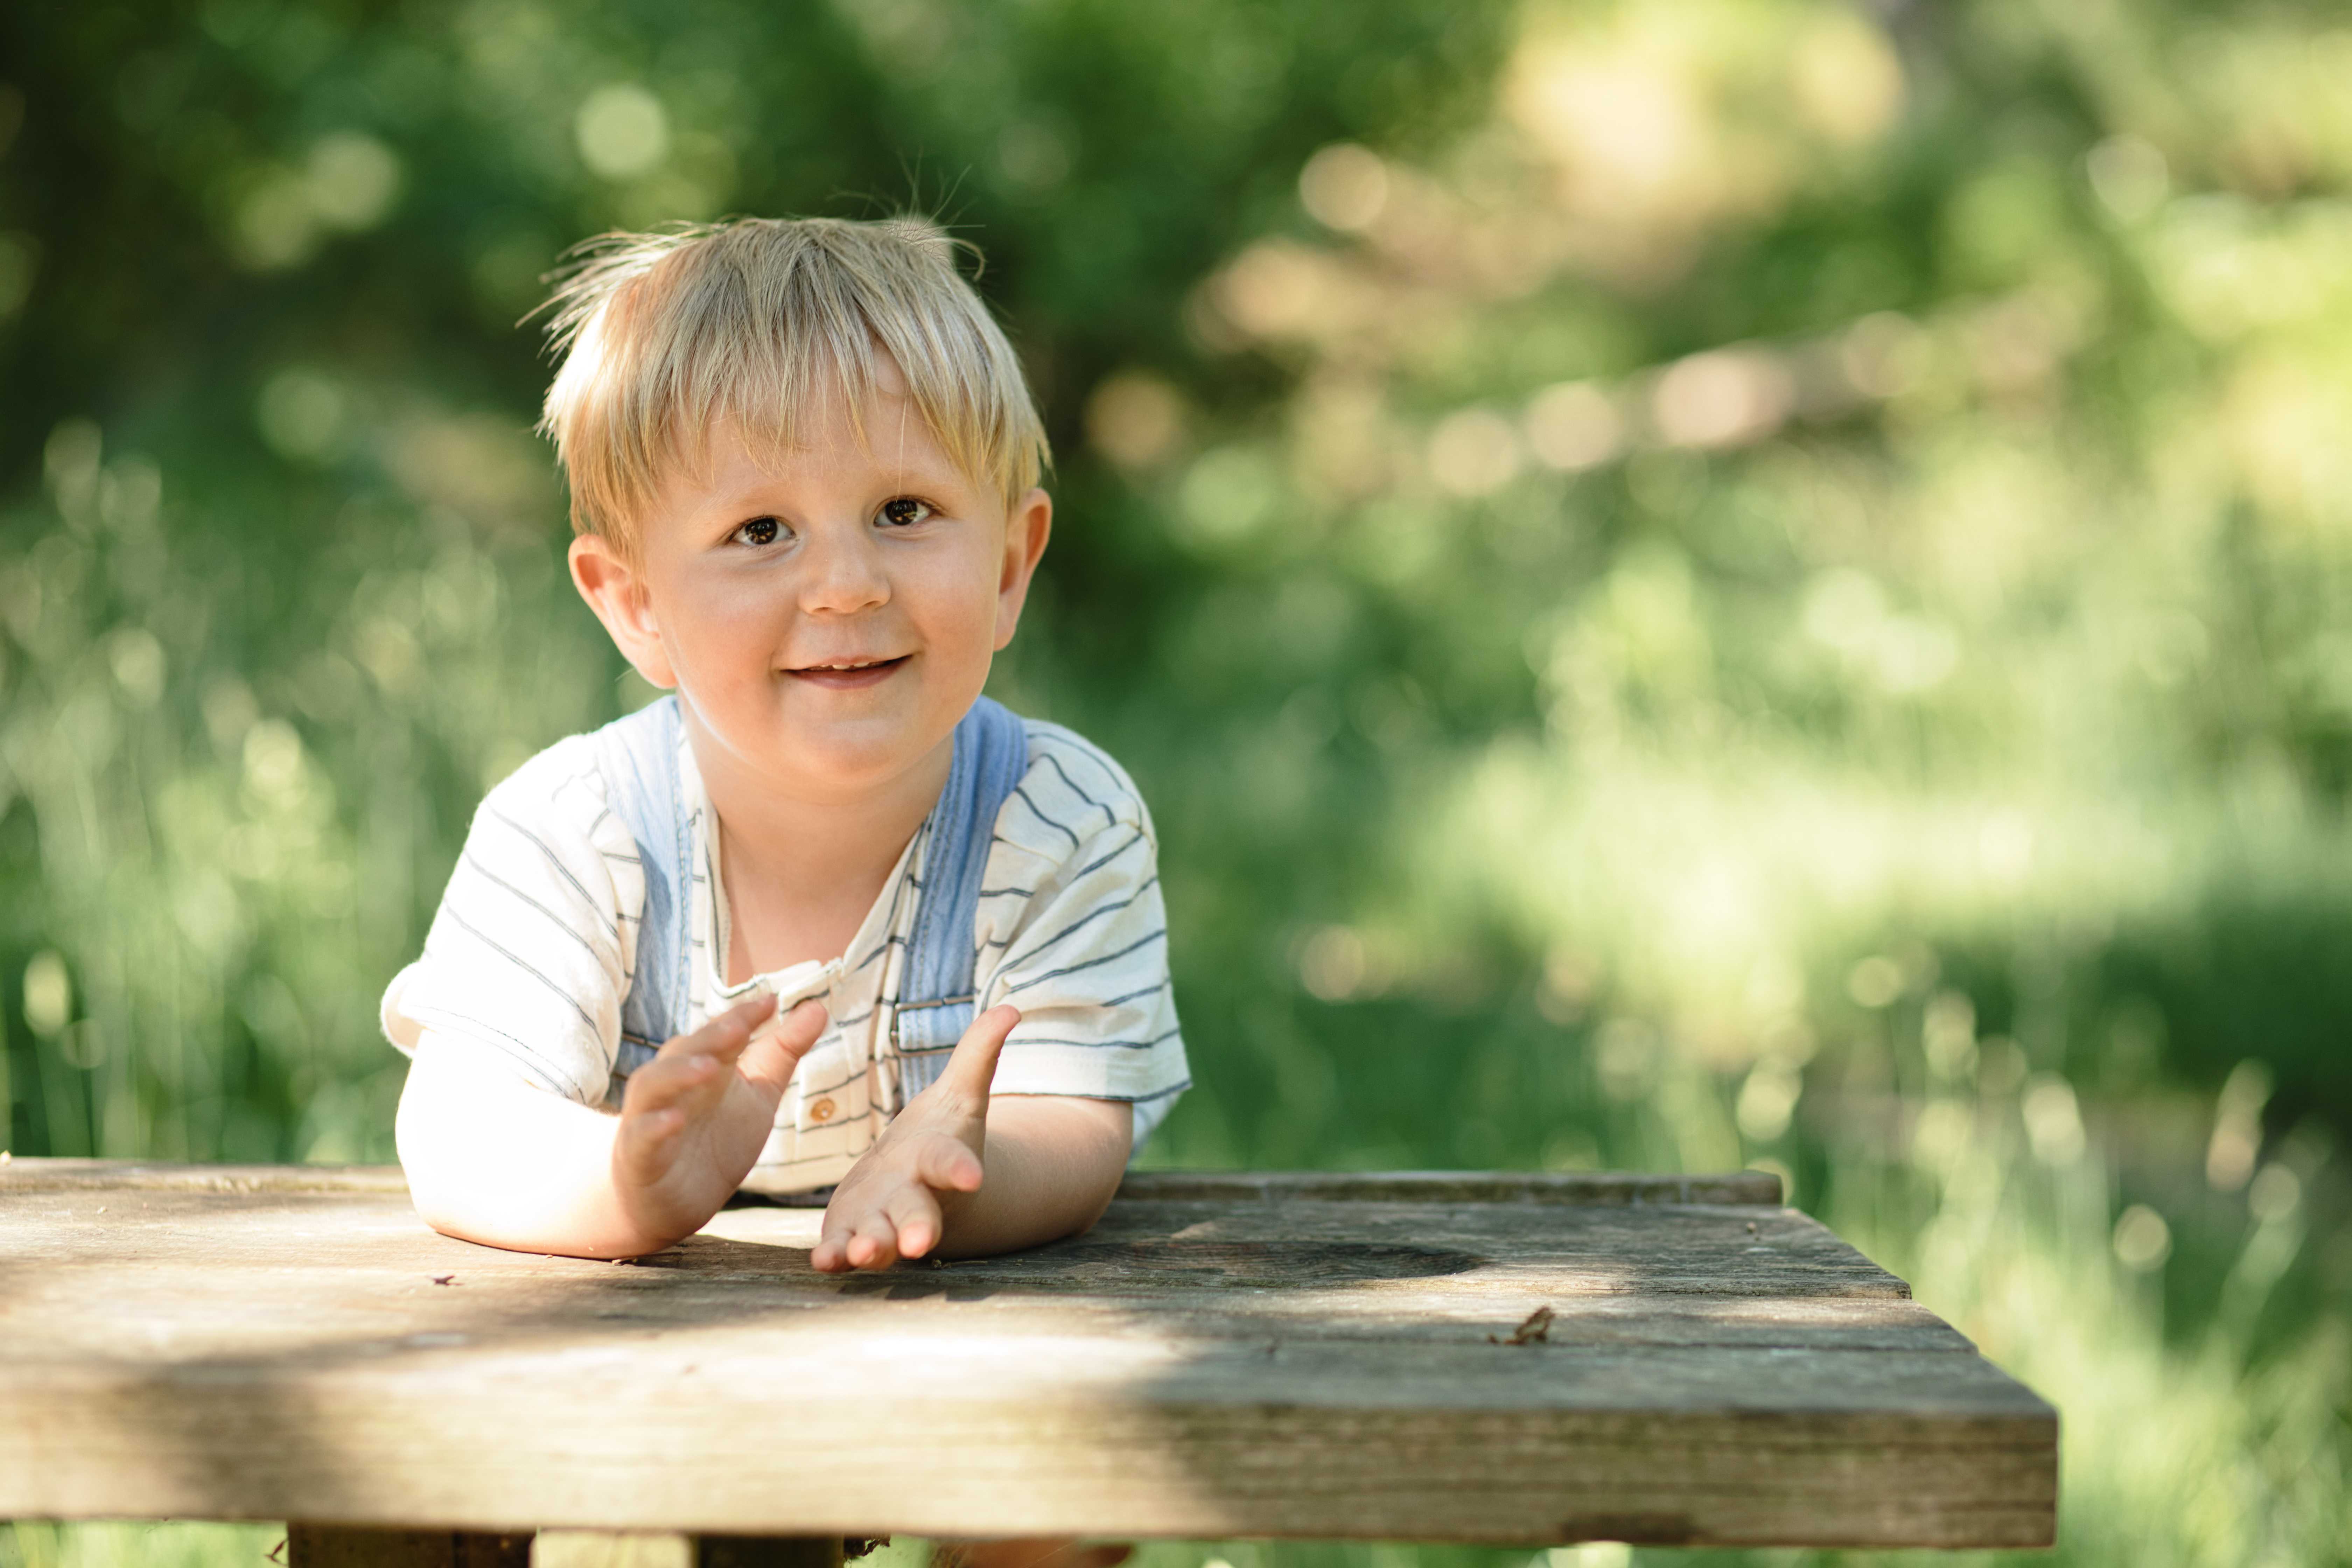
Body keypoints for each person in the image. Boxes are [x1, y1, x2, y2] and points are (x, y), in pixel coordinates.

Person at [385, 215, 1189, 1275]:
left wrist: (955, 1180)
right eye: (761, 532)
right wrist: (626, 1185)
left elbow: (1076, 1119)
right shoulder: (576, 831)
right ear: (637, 606)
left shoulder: (1057, 819)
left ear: (1007, 565)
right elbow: (459, 1132)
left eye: (905, 509)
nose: (847, 584)